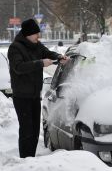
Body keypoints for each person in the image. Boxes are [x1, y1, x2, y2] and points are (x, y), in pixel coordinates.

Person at [8, 19, 69, 158]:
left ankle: (31, 158)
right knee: (26, 130)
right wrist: (40, 63)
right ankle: (25, 159)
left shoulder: (37, 45)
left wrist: (59, 57)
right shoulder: (15, 48)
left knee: (35, 130)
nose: (38, 36)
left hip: (35, 95)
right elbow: (18, 67)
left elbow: (47, 53)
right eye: (36, 34)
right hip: (21, 96)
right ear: (28, 34)